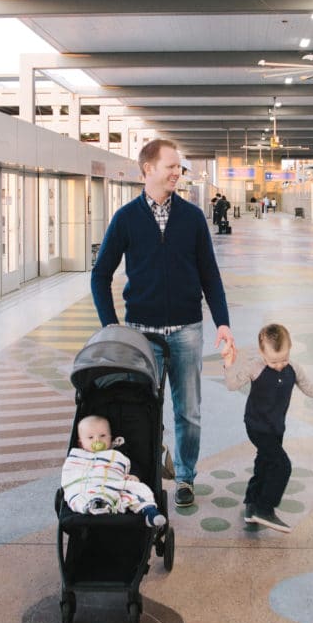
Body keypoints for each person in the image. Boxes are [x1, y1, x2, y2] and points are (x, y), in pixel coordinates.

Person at [91, 138, 236, 509]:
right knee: (143, 410)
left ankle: (185, 476)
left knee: (189, 410)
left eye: (178, 167)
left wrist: (223, 322)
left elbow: (210, 275)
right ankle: (147, 473)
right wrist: (112, 328)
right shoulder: (126, 218)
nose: (177, 172)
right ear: (148, 169)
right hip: (142, 334)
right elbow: (100, 275)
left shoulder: (191, 218)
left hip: (187, 331)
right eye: (170, 166)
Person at [223, 323, 313, 533]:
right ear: (262, 353)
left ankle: (252, 504)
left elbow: (312, 389)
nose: (280, 365)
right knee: (281, 466)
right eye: (274, 361)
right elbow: (232, 384)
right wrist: (228, 364)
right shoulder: (255, 366)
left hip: (276, 427)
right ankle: (265, 508)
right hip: (257, 426)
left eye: (284, 359)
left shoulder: (294, 369)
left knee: (264, 463)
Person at [61, 415, 166, 528]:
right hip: (87, 486)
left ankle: (150, 512)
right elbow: (70, 475)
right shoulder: (78, 457)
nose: (97, 440)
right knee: (77, 494)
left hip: (115, 486)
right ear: (81, 443)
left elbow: (133, 466)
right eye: (90, 437)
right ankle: (94, 505)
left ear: (110, 438)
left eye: (103, 436)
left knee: (138, 491)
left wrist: (134, 476)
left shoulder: (117, 454)